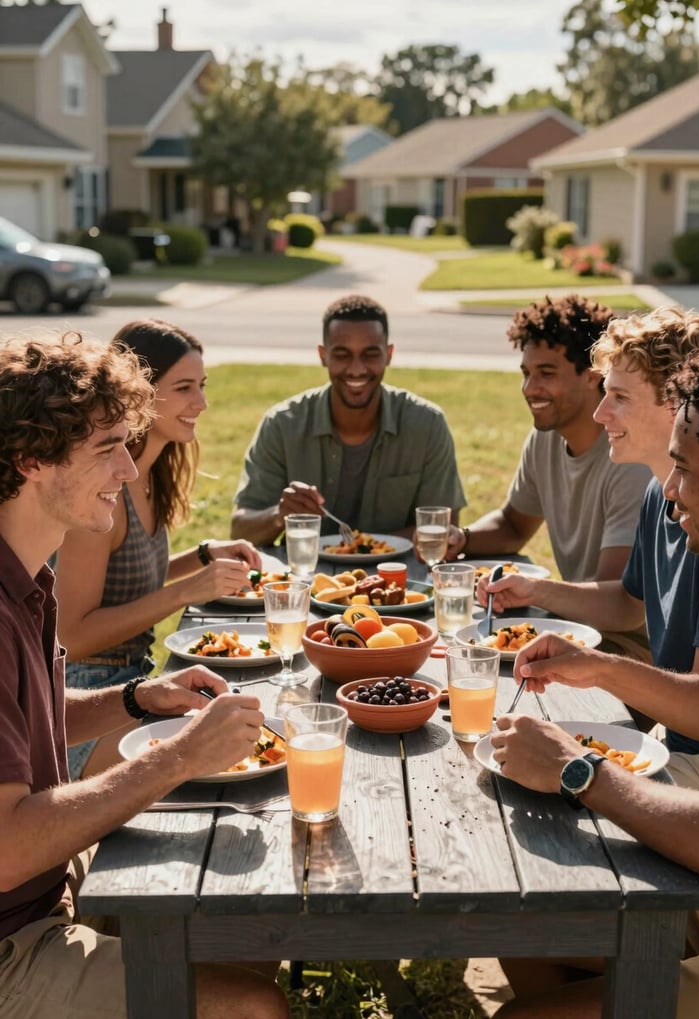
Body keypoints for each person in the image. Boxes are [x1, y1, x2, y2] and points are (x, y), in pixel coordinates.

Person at [0, 331, 288, 1019]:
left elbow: (29, 716)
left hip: (43, 895)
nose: (129, 472)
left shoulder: (26, 575)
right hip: (13, 939)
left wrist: (135, 699)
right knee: (251, 1005)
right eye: (107, 450)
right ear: (31, 458)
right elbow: (8, 848)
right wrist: (182, 754)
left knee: (241, 926)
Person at [490, 335, 699, 1019]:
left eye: (684, 468)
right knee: (516, 920)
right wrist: (599, 666)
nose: (668, 489)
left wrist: (576, 769)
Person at [479, 308, 699, 782]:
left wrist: (600, 669)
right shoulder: (657, 491)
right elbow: (629, 605)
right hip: (670, 744)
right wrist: (536, 591)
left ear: (678, 403)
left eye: (620, 397)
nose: (600, 412)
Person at [54, 319, 262, 780]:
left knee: (247, 722)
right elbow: (72, 634)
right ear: (139, 393)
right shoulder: (102, 493)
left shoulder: (147, 474)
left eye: (202, 386)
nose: (201, 403)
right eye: (185, 388)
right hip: (82, 705)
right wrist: (187, 591)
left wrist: (203, 555)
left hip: (134, 683)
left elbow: (129, 577)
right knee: (228, 745)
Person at [446, 295, 650, 589]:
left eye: (546, 373)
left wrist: (534, 592)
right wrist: (462, 538)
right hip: (576, 618)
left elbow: (614, 595)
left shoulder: (629, 459)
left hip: (619, 633)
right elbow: (513, 525)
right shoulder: (547, 438)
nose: (530, 389)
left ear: (593, 376)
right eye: (526, 374)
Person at [231, 293, 466, 545]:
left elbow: (444, 529)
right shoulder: (281, 424)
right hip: (306, 579)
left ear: (388, 354)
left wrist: (360, 547)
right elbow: (240, 531)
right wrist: (279, 515)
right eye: (342, 354)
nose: (356, 369)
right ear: (323, 355)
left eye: (370, 354)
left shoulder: (427, 424)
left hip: (400, 577)